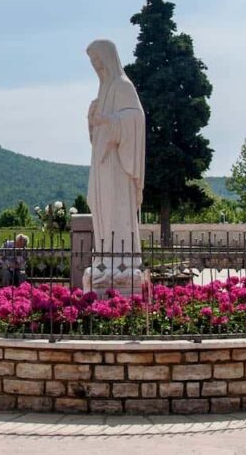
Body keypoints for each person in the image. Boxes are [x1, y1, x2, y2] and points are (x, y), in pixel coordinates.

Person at [84, 39, 146, 296]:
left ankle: (123, 263)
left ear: (109, 59)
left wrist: (107, 121)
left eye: (98, 60)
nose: (96, 66)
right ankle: (104, 261)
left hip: (118, 167)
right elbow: (96, 134)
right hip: (101, 166)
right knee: (100, 209)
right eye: (93, 62)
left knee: (117, 210)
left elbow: (136, 119)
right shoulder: (103, 91)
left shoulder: (122, 86)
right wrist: (92, 120)